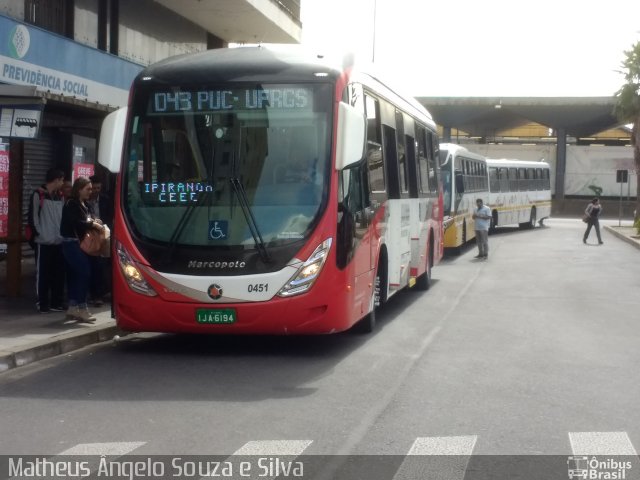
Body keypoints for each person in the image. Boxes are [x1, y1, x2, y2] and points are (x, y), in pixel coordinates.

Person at [60, 177, 106, 323]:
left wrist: (94, 221)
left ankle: (73, 307)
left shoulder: (85, 203)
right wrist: (93, 224)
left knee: (77, 274)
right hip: (71, 243)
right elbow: (77, 223)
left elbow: (90, 218)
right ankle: (81, 307)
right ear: (79, 189)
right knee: (84, 272)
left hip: (81, 243)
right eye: (88, 189)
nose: (90, 191)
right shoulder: (71, 203)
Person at [30, 168, 66, 313]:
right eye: (62, 180)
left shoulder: (60, 196)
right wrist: (39, 233)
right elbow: (33, 217)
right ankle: (42, 302)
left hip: (58, 241)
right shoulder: (38, 194)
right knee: (43, 274)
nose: (63, 183)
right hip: (43, 242)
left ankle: (56, 302)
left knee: (58, 274)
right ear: (56, 179)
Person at [87, 175, 113, 306]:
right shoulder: (85, 201)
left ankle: (101, 292)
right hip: (89, 236)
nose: (96, 190)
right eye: (94, 188)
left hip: (104, 234)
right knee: (93, 265)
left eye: (98, 188)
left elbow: (109, 217)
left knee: (104, 264)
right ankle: (94, 293)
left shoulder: (105, 200)